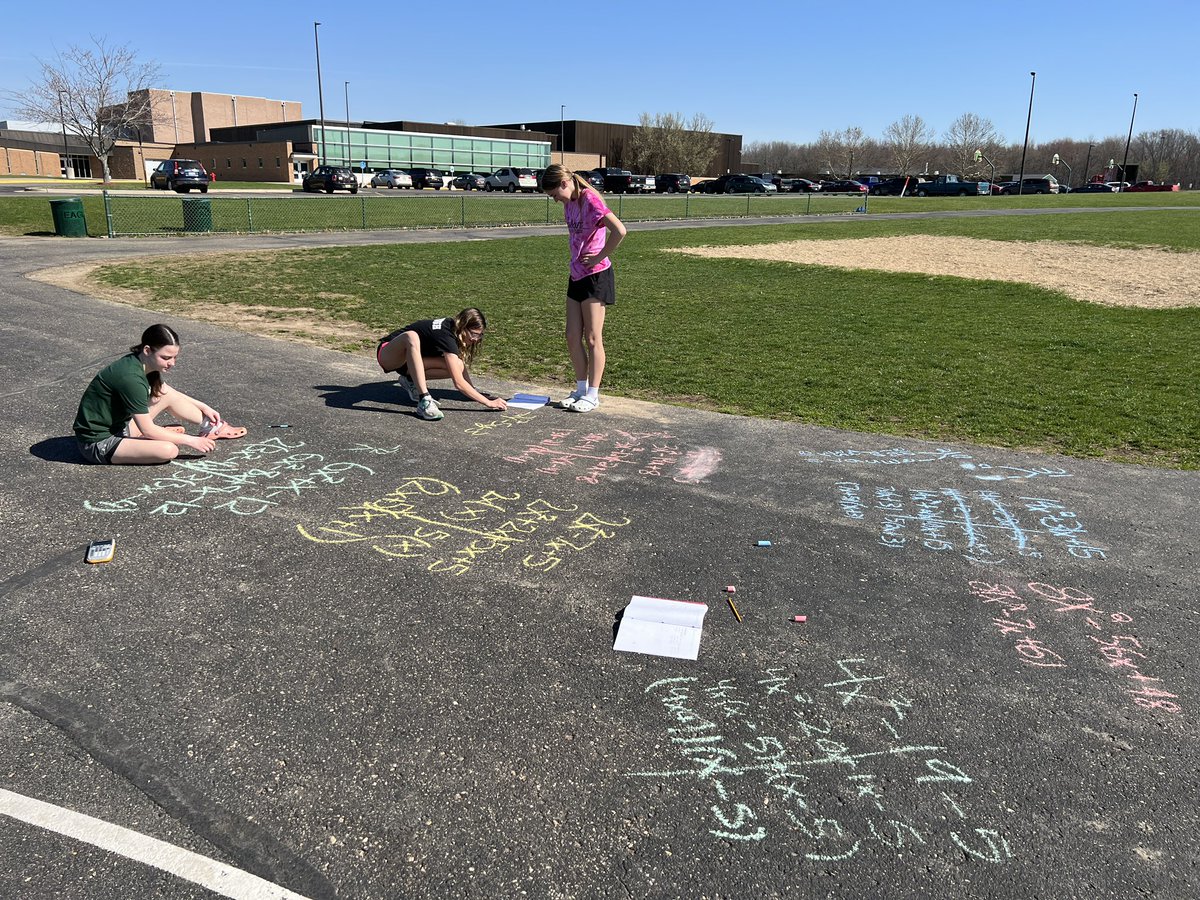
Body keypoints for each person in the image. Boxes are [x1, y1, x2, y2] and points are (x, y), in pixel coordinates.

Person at [73, 324, 246, 465]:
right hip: (98, 444)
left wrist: (203, 406)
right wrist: (191, 440)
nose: (172, 363)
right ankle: (154, 439)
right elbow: (147, 429)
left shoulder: (143, 363)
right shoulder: (130, 378)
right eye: (166, 358)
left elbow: (168, 391)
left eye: (175, 357)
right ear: (147, 350)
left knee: (164, 393)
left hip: (119, 427)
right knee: (169, 450)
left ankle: (212, 426)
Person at [540, 163, 627, 413]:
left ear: (564, 183)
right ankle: (579, 389)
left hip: (596, 276)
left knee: (592, 337)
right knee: (571, 335)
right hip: (576, 275)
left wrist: (599, 257)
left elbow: (620, 230)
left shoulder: (591, 200)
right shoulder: (570, 203)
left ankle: (593, 394)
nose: (556, 201)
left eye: (555, 195)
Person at [376, 308, 507, 421]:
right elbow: (459, 383)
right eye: (473, 334)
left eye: (479, 335)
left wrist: (475, 393)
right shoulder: (447, 336)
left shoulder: (454, 331)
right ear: (462, 326)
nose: (475, 339)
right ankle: (424, 401)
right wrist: (488, 403)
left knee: (458, 365)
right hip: (388, 355)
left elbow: (460, 372)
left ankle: (410, 379)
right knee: (411, 336)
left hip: (407, 364)